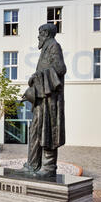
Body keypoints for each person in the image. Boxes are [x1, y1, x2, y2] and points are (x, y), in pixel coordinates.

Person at [21, 23, 67, 177]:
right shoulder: (46, 48)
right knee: (34, 130)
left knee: (48, 130)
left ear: (46, 33)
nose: (38, 36)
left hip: (50, 101)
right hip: (41, 99)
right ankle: (32, 164)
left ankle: (48, 167)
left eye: (40, 33)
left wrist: (37, 76)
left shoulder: (54, 46)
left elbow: (60, 68)